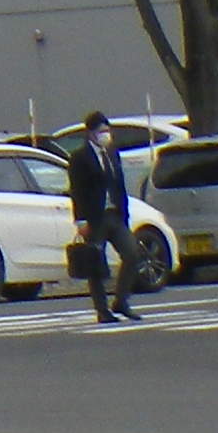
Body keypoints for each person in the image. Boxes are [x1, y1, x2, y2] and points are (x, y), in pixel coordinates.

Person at [66, 112, 143, 324]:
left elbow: (119, 184)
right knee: (96, 264)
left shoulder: (112, 153)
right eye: (101, 131)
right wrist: (81, 220)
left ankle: (122, 300)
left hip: (114, 214)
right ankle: (102, 310)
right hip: (94, 217)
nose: (106, 135)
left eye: (107, 131)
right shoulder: (80, 158)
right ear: (90, 133)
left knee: (132, 253)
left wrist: (124, 213)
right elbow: (77, 190)